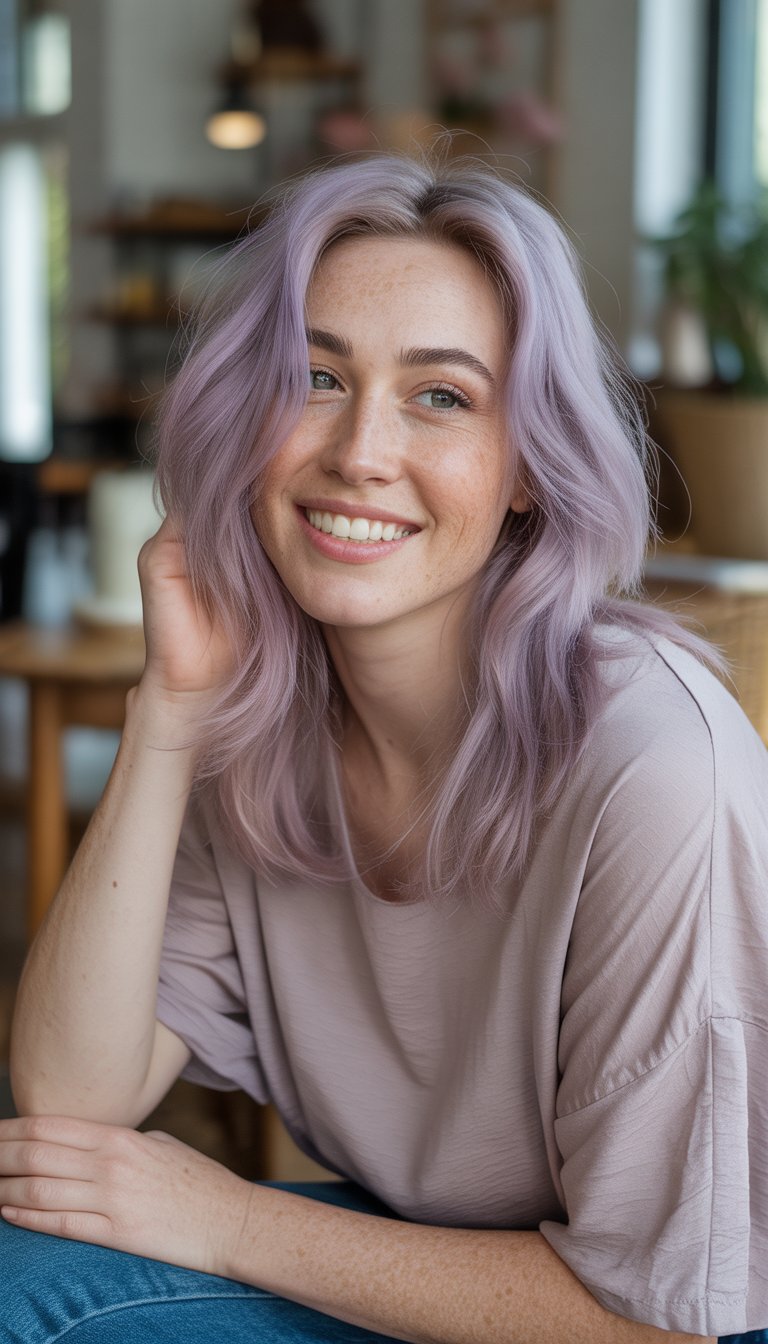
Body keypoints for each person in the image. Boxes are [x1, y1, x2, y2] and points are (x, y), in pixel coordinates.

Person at [2, 151, 767, 1344]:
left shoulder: (654, 763)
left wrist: (227, 1221)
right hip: (422, 1264)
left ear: (528, 469)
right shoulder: (260, 717)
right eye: (313, 377)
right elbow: (71, 1102)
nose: (359, 451)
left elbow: (662, 1317)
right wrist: (170, 711)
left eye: (442, 396)